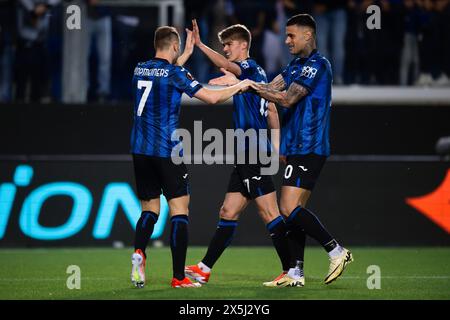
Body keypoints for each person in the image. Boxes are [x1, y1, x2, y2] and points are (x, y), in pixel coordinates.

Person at [212, 13, 353, 285]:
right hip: (296, 147)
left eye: (291, 35)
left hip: (310, 145)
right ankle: (295, 273)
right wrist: (241, 85)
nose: (286, 40)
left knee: (288, 208)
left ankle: (336, 250)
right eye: (286, 35)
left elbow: (286, 99)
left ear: (308, 35)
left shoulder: (317, 65)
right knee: (293, 212)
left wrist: (245, 85)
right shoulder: (294, 67)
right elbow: (267, 88)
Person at [130, 26, 252, 289]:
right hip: (166, 151)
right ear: (174, 47)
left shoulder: (140, 68)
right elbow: (210, 98)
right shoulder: (176, 73)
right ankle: (178, 277)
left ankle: (139, 252)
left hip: (140, 150)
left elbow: (165, 73)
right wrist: (241, 85)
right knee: (179, 210)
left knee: (150, 210)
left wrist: (184, 54)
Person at [184, 20, 303, 287]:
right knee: (228, 210)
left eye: (228, 44)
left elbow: (228, 67)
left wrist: (201, 45)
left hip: (252, 152)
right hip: (248, 152)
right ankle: (204, 268)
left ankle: (292, 271)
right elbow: (272, 110)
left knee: (269, 213)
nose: (225, 49)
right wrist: (277, 146)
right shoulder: (257, 73)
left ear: (244, 45)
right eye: (223, 45)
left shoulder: (248, 69)